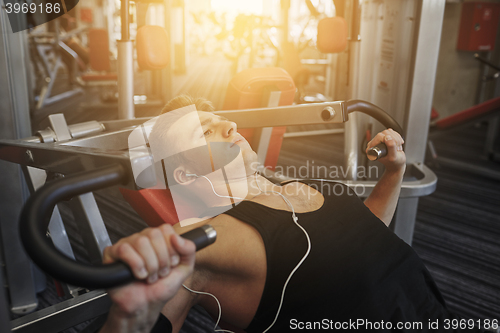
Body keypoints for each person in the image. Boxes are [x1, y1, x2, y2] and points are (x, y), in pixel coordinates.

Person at [101, 95, 486, 333]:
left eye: (221, 120)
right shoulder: (206, 240)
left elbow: (367, 236)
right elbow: (147, 314)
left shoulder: (291, 185)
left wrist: (393, 172)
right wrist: (127, 318)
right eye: (207, 131)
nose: (230, 125)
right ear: (184, 172)